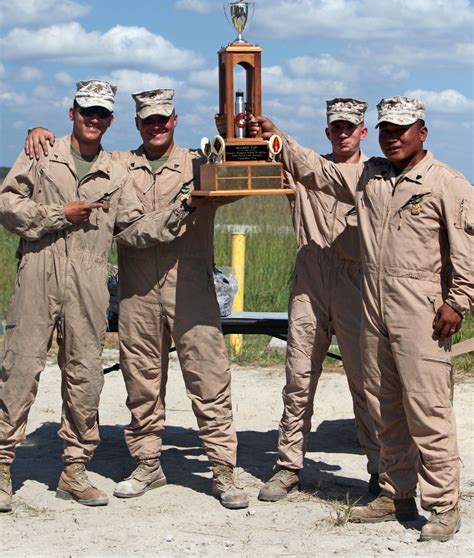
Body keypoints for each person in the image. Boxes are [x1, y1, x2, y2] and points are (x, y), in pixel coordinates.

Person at [249, 96, 472, 541]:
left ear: (421, 132)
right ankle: (395, 493)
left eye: (400, 130)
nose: (392, 137)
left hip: (420, 308)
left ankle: (444, 506)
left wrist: (459, 300)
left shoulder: (447, 183)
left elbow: (465, 248)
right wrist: (274, 137)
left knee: (427, 409)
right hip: (370, 302)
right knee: (384, 405)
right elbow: (316, 170)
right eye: (386, 129)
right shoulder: (369, 176)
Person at [24, 88, 249, 510]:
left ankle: (222, 470)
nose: (156, 126)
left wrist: (233, 143)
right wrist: (37, 131)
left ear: (175, 120)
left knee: (210, 380)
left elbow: (242, 181)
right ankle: (148, 463)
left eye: (163, 119)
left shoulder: (201, 163)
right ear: (136, 123)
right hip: (138, 293)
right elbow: (126, 230)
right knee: (142, 382)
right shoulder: (119, 168)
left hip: (192, 291)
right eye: (148, 120)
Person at [0, 81, 193, 513]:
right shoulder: (41, 152)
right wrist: (57, 215)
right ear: (72, 113)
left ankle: (74, 469)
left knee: (86, 373)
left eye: (102, 113)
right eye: (87, 110)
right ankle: (2, 465)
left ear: (110, 120)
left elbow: (132, 228)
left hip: (89, 280)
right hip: (38, 270)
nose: (94, 118)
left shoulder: (116, 171)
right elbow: (7, 204)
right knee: (19, 369)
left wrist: (183, 210)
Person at [258, 98, 381, 502]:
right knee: (298, 379)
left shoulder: (375, 176)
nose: (343, 133)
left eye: (350, 127)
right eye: (336, 127)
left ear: (363, 131)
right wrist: (244, 129)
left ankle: (382, 470)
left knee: (366, 383)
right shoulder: (303, 170)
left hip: (354, 284)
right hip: (310, 282)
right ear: (327, 132)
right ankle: (289, 465)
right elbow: (263, 160)